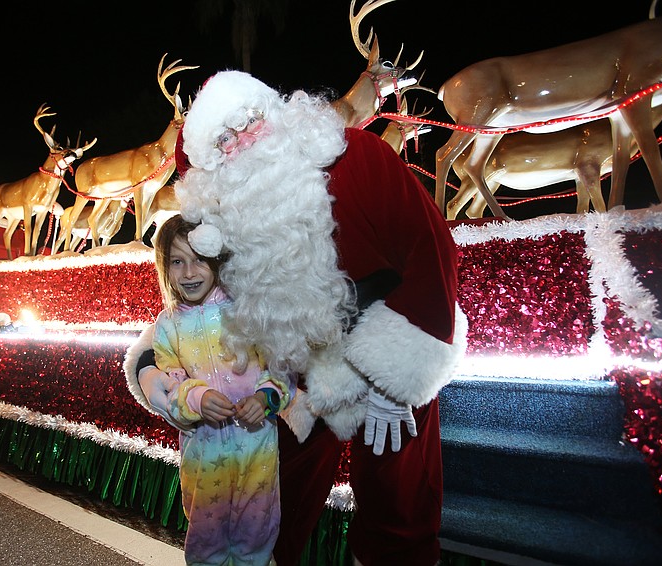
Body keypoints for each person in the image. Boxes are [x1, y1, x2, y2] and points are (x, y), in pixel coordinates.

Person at [125, 70, 467, 566]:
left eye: (251, 120)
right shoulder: (220, 226)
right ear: (211, 166)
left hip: (387, 346)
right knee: (272, 490)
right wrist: (149, 365)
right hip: (293, 379)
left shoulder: (358, 158)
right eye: (224, 139)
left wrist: (402, 376)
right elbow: (195, 307)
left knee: (398, 501)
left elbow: (430, 248)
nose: (244, 139)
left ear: (278, 112)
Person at [136, 213, 293, 566]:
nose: (189, 273)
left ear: (217, 260)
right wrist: (196, 398)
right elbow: (169, 383)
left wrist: (265, 397)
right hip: (203, 459)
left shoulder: (247, 311)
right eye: (177, 262)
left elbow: (281, 370)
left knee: (257, 536)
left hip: (258, 454)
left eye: (199, 260)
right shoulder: (167, 325)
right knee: (206, 544)